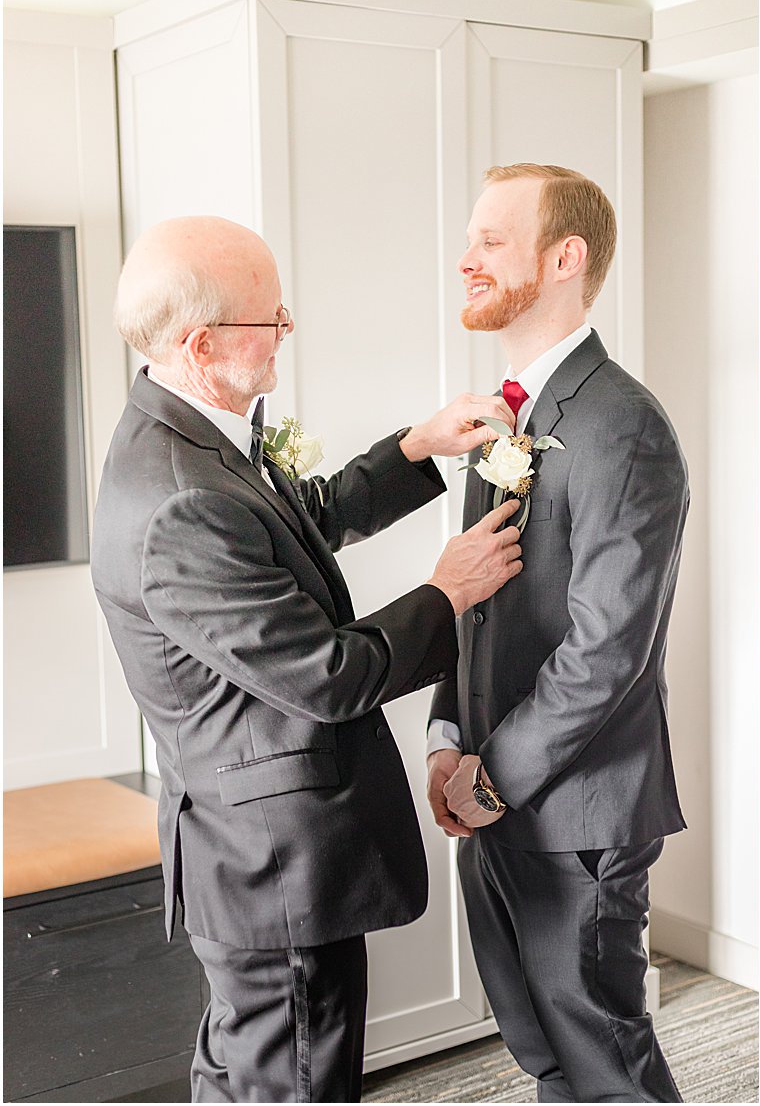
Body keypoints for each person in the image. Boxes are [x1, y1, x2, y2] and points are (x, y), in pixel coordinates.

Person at [91, 215, 524, 1102]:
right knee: (297, 1083)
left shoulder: (188, 428)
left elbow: (294, 524)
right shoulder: (178, 500)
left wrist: (416, 449)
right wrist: (450, 592)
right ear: (202, 342)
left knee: (249, 1074)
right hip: (269, 862)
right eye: (272, 319)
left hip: (248, 849)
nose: (287, 331)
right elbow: (327, 676)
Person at [426, 163, 689, 1102]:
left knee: (605, 1061)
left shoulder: (626, 427)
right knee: (548, 1056)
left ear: (565, 257)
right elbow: (475, 600)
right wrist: (447, 735)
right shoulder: (504, 418)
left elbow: (606, 650)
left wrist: (489, 777)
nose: (466, 260)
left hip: (577, 815)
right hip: (494, 795)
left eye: (491, 241)